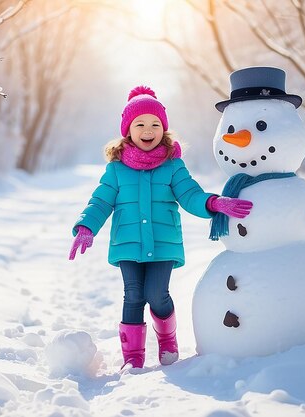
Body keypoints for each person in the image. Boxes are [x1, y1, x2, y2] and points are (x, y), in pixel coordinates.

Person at [69, 86, 252, 369]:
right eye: (140, 124)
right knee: (133, 294)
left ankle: (167, 340)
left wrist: (214, 203)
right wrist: (86, 226)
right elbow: (101, 201)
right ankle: (133, 357)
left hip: (163, 242)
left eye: (155, 124)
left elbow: (190, 195)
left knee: (156, 294)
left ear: (163, 130)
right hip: (127, 243)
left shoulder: (173, 166)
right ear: (128, 130)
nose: (148, 129)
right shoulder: (116, 169)